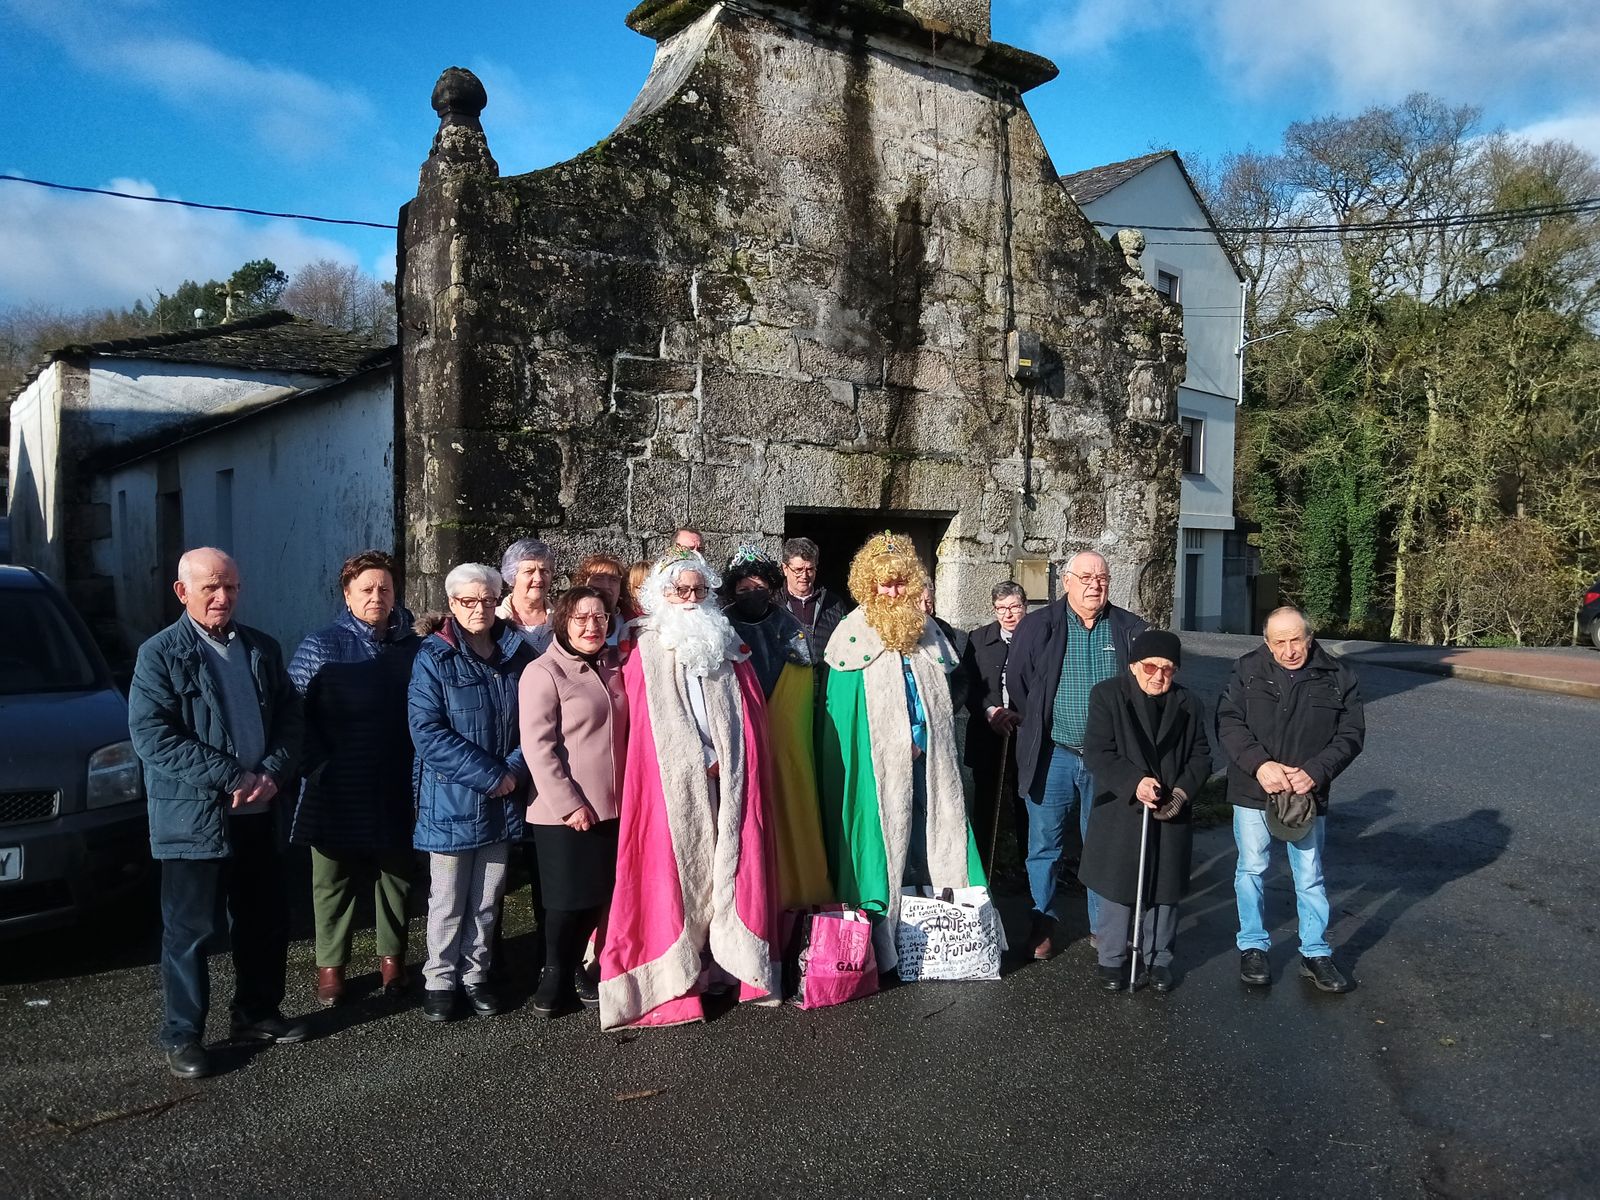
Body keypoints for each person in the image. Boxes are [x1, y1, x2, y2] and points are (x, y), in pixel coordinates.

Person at [127, 547, 306, 1079]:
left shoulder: (261, 647)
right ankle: (183, 1035)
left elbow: (290, 717)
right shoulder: (159, 654)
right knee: (191, 931)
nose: (222, 597)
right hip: (195, 818)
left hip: (259, 812)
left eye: (230, 586)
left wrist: (272, 772)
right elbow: (152, 735)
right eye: (210, 588)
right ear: (183, 593)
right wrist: (233, 776)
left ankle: (257, 1013)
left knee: (264, 920)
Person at [598, 551, 779, 1029]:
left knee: (727, 865)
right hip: (672, 785)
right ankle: (679, 975)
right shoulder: (645, 648)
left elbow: (748, 714)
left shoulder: (725, 640)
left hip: (728, 779)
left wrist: (730, 760)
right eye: (682, 590)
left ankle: (724, 965)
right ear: (662, 594)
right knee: (678, 872)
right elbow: (647, 727)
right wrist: (700, 758)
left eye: (700, 590)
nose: (692, 599)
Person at [817, 533, 985, 973]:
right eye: (883, 584)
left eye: (899, 584)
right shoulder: (850, 634)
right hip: (878, 769)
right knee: (883, 839)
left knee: (931, 838)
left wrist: (922, 738)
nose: (892, 593)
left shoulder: (928, 631)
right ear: (867, 585)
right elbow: (845, 717)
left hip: (929, 761)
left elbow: (941, 697)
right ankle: (880, 936)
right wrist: (890, 745)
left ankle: (939, 937)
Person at [287, 550, 420, 1007]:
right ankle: (331, 969)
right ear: (347, 595)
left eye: (384, 588)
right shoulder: (320, 646)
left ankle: (393, 963)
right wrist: (317, 766)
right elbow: (292, 714)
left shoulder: (411, 646)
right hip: (334, 783)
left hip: (392, 779)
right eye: (366, 589)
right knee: (333, 880)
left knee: (396, 877)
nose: (376, 597)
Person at [408, 563, 535, 1022]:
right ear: (452, 604)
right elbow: (427, 731)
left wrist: (515, 771)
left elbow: (537, 723)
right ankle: (439, 979)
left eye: (486, 599)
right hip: (452, 797)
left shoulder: (516, 652)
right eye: (467, 601)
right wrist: (492, 775)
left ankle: (474, 975)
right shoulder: (434, 655)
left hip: (503, 795)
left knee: (487, 896)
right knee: (446, 899)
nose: (478, 608)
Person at [1216, 607, 1366, 993]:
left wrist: (1316, 771)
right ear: (1267, 643)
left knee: (1310, 875)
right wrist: (1259, 765)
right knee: (1251, 868)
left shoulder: (1338, 676)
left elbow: (1351, 735)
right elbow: (1229, 722)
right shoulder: (1246, 669)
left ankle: (1315, 953)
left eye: (1296, 639)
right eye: (1279, 641)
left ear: (1310, 637)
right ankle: (1252, 946)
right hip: (1254, 787)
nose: (1289, 649)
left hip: (1306, 792)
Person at [1008, 550, 1149, 960]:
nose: (1094, 584)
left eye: (1102, 577)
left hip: (1110, 760)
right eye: (1085, 576)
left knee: (1102, 843)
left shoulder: (1128, 629)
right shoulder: (1037, 626)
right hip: (1053, 753)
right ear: (1066, 581)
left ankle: (1104, 926)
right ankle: (1043, 920)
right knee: (1044, 844)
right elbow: (1020, 684)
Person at [1079, 630, 1211, 993]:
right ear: (1134, 666)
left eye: (1168, 669)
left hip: (1171, 807)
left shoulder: (1189, 703)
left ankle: (1159, 958)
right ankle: (1111, 959)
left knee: (1165, 889)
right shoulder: (1108, 695)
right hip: (1123, 806)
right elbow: (1098, 752)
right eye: (1151, 666)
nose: (1158, 675)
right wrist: (1134, 782)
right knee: (1119, 885)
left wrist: (1181, 793)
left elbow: (1201, 755)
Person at [519, 586, 627, 1018]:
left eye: (599, 617)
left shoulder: (613, 665)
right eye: (581, 618)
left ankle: (583, 969)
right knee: (565, 901)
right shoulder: (543, 672)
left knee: (601, 895)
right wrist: (569, 804)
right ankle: (553, 972)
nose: (591, 626)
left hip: (615, 806)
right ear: (562, 621)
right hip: (563, 811)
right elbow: (538, 747)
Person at [721, 546, 832, 908]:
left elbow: (799, 686)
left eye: (758, 585)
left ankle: (794, 894)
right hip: (737, 733)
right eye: (744, 586)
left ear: (771, 585)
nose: (751, 592)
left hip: (784, 732)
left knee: (790, 799)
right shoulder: (721, 626)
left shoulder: (789, 627)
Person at [960, 581, 1027, 876]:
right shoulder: (979, 638)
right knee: (985, 805)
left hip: (1025, 735)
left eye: (1014, 607)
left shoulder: (1040, 636)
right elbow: (969, 685)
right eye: (1001, 609)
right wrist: (990, 711)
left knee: (1026, 804)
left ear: (1024, 606)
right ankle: (983, 869)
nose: (1008, 615)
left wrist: (1019, 715)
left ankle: (1026, 868)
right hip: (987, 735)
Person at [777, 536, 847, 653]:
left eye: (810, 569)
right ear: (785, 568)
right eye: (798, 570)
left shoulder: (834, 604)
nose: (804, 576)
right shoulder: (773, 603)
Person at [496, 539, 556, 655]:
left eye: (544, 571)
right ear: (512, 577)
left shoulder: (564, 620)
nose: (538, 579)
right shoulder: (493, 619)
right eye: (529, 571)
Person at [573, 552, 629, 649]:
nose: (606, 586)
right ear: (584, 583)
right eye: (598, 578)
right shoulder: (571, 621)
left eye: (613, 580)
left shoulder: (632, 623)